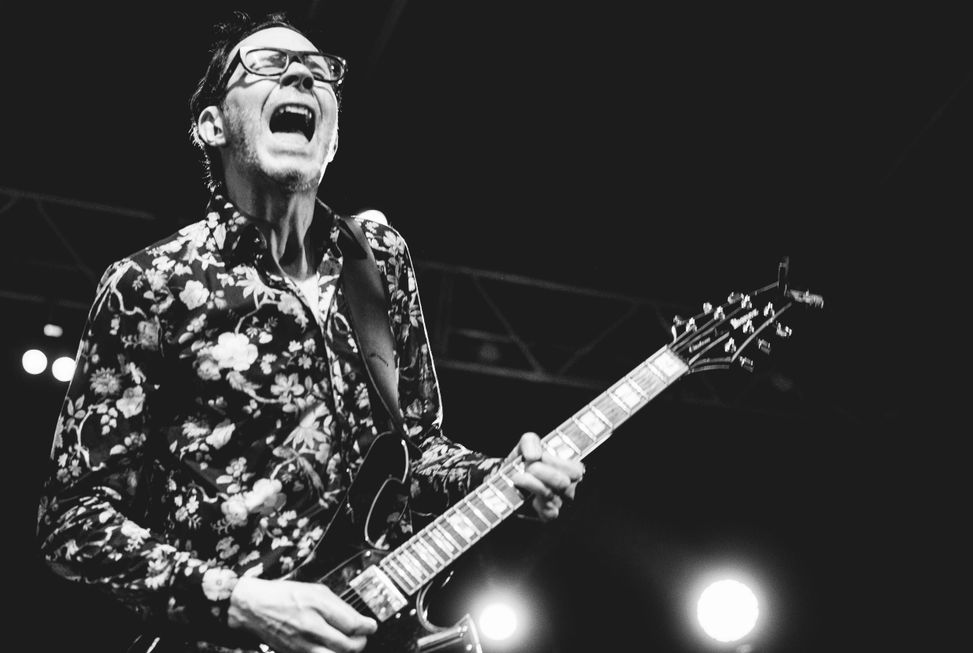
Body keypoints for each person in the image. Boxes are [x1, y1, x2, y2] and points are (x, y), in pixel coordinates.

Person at [35, 11, 585, 653]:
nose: (300, 74)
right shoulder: (149, 284)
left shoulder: (377, 258)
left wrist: (504, 476)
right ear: (211, 124)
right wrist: (235, 600)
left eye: (319, 72)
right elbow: (72, 522)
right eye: (266, 66)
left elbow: (417, 450)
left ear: (332, 136)